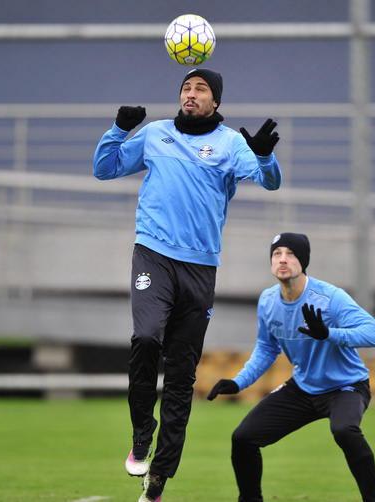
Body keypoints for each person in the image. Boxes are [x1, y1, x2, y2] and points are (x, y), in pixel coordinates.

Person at [93, 68, 282, 501]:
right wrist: (119, 130)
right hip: (153, 254)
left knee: (181, 374)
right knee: (145, 337)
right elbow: (104, 169)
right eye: (186, 88)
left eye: (201, 89)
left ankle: (159, 476)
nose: (191, 94)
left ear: (215, 101)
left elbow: (271, 182)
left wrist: (266, 156)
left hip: (199, 269)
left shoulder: (232, 143)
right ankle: (142, 434)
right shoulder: (156, 134)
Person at [207, 232, 375, 502]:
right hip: (303, 388)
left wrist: (329, 333)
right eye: (277, 253)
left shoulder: (330, 298)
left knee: (344, 430)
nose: (283, 259)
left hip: (346, 386)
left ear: (303, 261)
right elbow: (267, 348)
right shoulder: (268, 301)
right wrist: (238, 382)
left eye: (290, 254)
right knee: (243, 438)